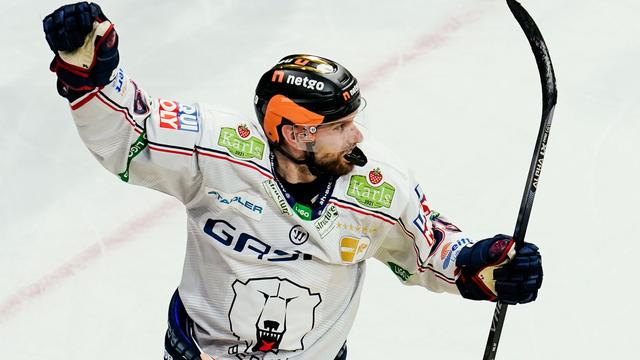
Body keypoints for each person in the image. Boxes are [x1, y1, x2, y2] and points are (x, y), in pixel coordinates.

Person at [42, 3, 543, 360]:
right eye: (339, 126)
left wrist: (483, 266)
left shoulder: (377, 185)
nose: (357, 134)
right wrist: (91, 73)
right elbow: (132, 138)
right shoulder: (217, 149)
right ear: (292, 133)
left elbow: (430, 251)